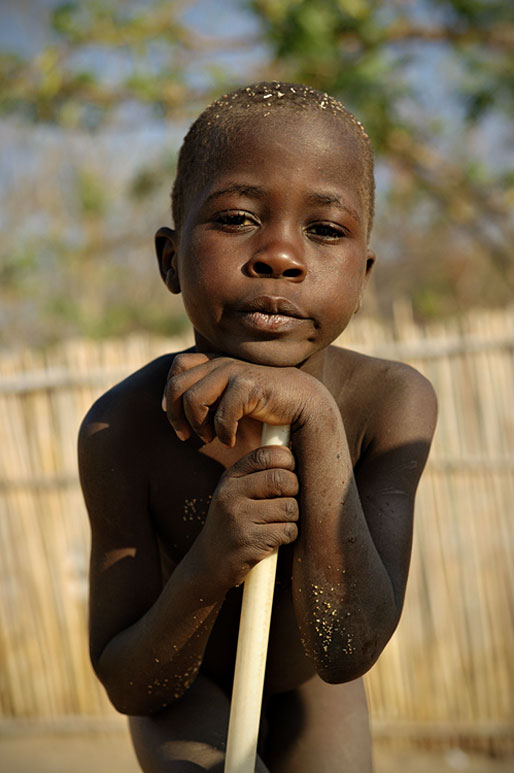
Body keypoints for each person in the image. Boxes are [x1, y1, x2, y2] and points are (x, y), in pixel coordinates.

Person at [78, 81, 437, 772]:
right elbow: (129, 680)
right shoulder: (122, 428)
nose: (279, 253)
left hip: (313, 690)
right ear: (170, 259)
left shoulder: (390, 404)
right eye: (238, 218)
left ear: (361, 278)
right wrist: (212, 560)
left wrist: (316, 415)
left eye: (325, 229)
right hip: (183, 690)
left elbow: (348, 649)